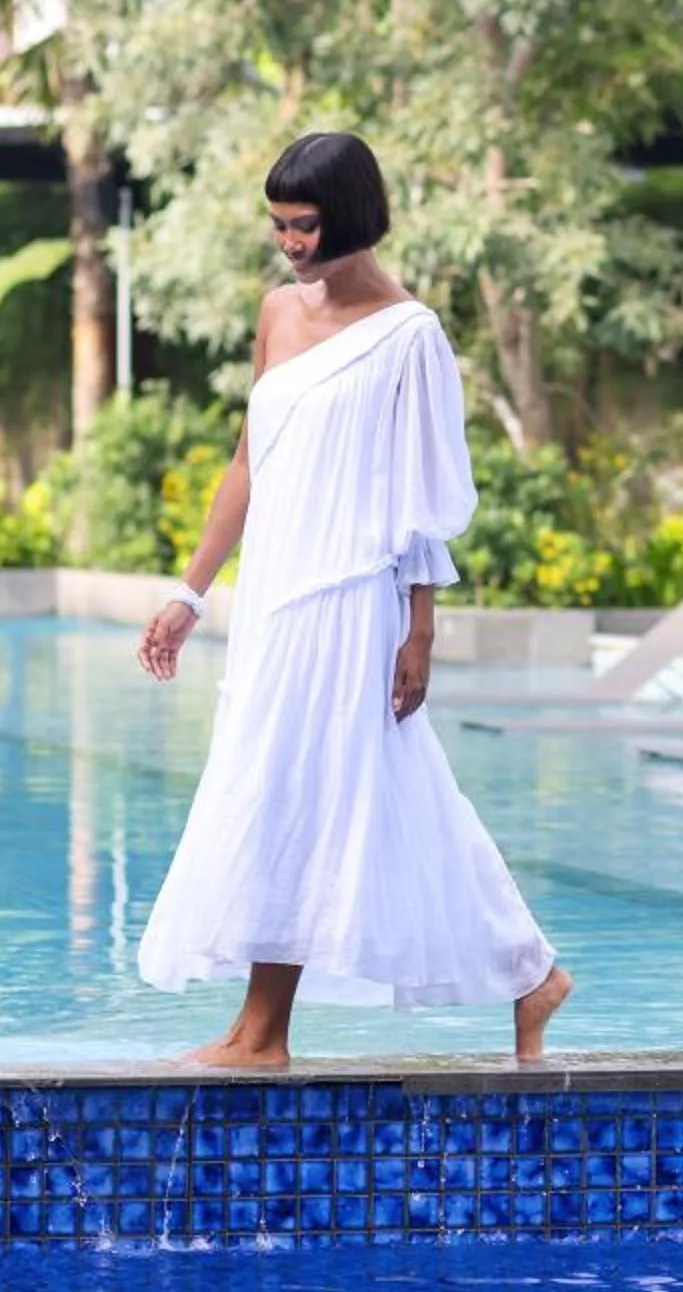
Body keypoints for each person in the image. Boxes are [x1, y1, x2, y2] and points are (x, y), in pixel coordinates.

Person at [134, 132, 573, 1068]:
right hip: (276, 598)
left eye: (305, 226)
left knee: (296, 791)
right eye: (280, 227)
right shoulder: (275, 316)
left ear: (354, 218)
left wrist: (420, 628)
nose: (290, 244)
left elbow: (421, 495)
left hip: (352, 601)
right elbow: (248, 464)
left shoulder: (411, 335)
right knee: (361, 791)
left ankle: (263, 1033)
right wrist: (190, 593)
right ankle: (530, 973)